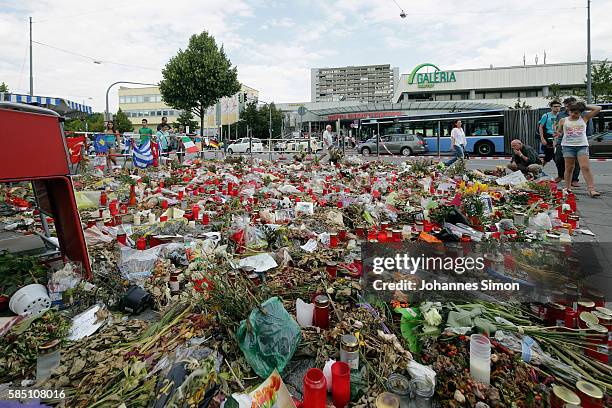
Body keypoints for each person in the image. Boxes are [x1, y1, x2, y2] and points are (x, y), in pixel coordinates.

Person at [558, 101, 601, 197]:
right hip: (567, 146)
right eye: (571, 112)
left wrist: (583, 106)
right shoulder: (563, 120)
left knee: (585, 167)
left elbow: (598, 108)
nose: (573, 114)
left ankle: (591, 189)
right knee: (569, 168)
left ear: (581, 112)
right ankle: (568, 188)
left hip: (582, 145)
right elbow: (559, 131)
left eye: (576, 112)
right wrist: (558, 133)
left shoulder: (584, 118)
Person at [554, 97, 582, 185]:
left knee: (576, 161)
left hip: (577, 141)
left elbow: (589, 130)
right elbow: (557, 128)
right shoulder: (561, 115)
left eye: (568, 106)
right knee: (558, 159)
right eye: (565, 106)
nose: (566, 108)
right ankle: (561, 175)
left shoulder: (582, 114)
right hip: (561, 140)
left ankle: (574, 179)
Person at [539, 100, 561, 166]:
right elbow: (541, 127)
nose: (557, 108)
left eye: (559, 106)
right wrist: (542, 138)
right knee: (550, 154)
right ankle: (539, 169)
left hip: (558, 136)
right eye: (555, 106)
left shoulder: (561, 116)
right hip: (549, 136)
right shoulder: (546, 115)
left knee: (556, 155)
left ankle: (561, 174)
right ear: (551, 107)